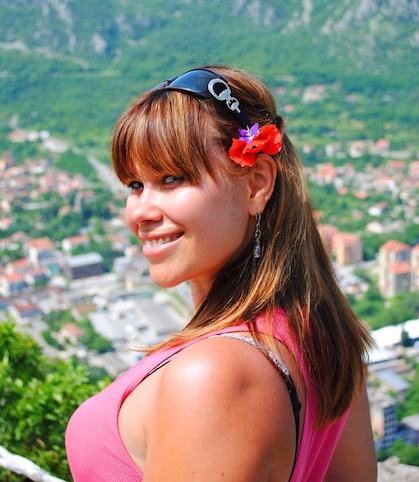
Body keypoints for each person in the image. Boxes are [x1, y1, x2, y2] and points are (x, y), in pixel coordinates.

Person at [65, 66, 377, 481]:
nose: (139, 212)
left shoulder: (213, 376)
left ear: (255, 184)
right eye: (135, 185)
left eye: (172, 179)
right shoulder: (327, 341)